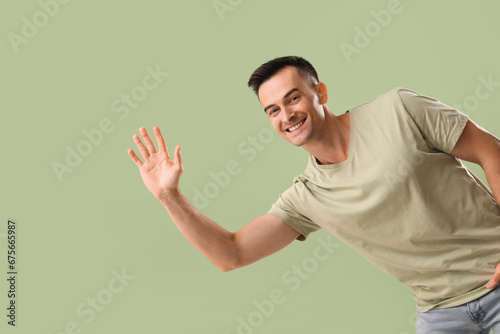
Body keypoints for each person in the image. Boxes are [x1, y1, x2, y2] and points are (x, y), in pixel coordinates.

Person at [127, 56, 500, 333]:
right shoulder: (307, 196)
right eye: (272, 110)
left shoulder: (399, 109)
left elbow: (491, 151)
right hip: (440, 314)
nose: (285, 115)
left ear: (320, 92)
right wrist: (169, 197)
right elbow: (232, 253)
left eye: (292, 99)